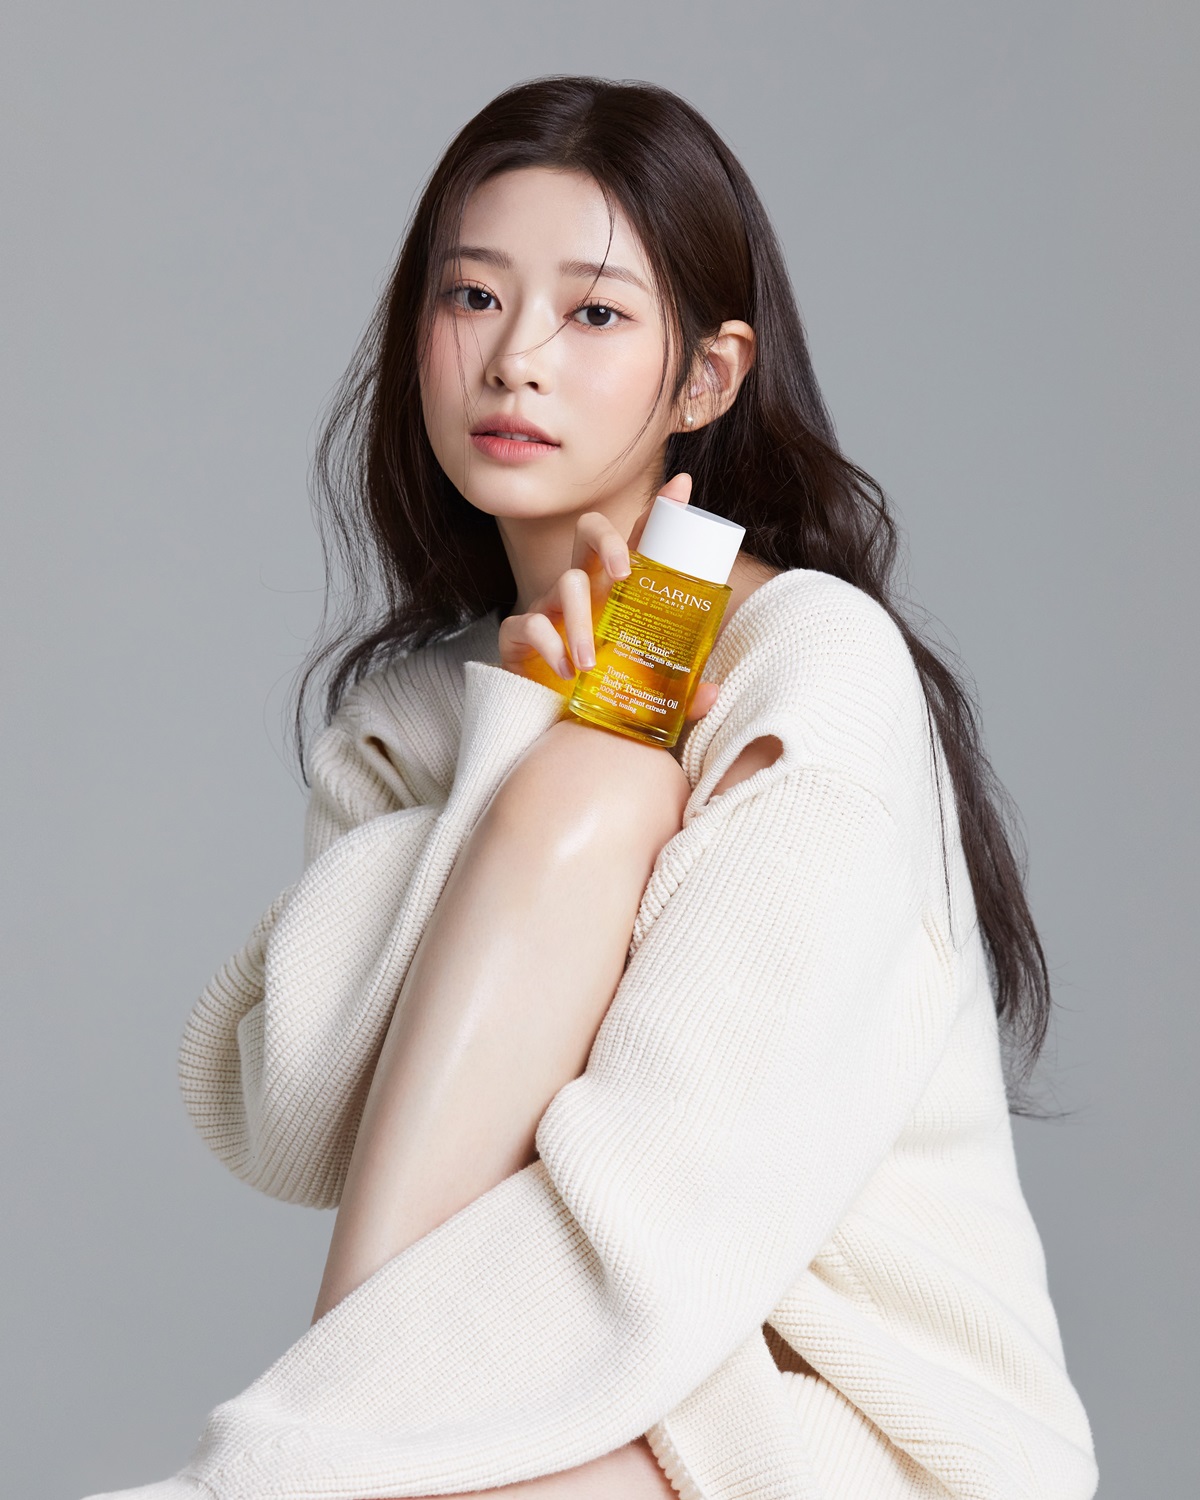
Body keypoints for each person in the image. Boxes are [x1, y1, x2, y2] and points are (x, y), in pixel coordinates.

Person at [83, 77, 1097, 1500]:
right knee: (583, 785)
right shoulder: (416, 710)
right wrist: (523, 735)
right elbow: (294, 1114)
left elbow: (677, 1201)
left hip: (840, 1424)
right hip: (545, 1391)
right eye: (473, 298)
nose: (516, 361)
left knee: (598, 795)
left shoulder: (810, 664)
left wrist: (298, 1461)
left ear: (708, 379)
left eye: (597, 313)